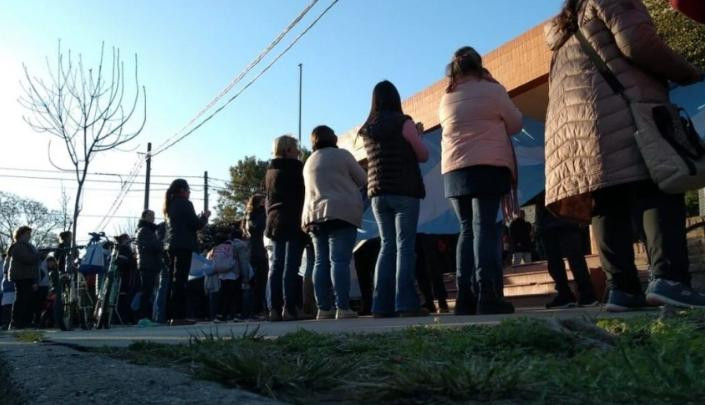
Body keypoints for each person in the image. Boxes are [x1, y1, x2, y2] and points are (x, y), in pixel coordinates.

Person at [544, 0, 704, 311]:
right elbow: (637, 43)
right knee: (659, 185)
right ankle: (669, 280)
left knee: (607, 201)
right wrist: (687, 71)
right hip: (623, 111)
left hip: (575, 127)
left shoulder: (564, 28)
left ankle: (622, 289)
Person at [438, 46, 523, 315]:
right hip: (487, 166)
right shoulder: (493, 91)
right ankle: (488, 294)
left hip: (453, 171)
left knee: (466, 230)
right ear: (480, 67)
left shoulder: (446, 98)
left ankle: (465, 297)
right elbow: (516, 123)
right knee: (485, 228)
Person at [358, 80, 429, 317]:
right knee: (404, 247)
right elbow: (423, 154)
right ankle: (407, 303)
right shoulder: (404, 122)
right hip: (404, 190)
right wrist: (417, 134)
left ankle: (380, 305)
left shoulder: (367, 129)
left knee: (386, 247)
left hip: (378, 193)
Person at [301, 125, 367, 320]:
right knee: (339, 261)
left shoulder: (309, 161)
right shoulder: (342, 155)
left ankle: (323, 308)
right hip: (341, 212)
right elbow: (362, 179)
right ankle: (343, 307)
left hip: (314, 216)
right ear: (334, 138)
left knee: (320, 262)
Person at [265, 135, 306, 321]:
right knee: (291, 266)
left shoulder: (270, 171)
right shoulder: (297, 169)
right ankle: (289, 308)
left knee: (276, 264)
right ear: (288, 150)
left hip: (274, 219)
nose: (299, 152)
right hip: (293, 217)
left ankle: (274, 308)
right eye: (296, 148)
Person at [537, 199, 598, 308]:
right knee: (573, 257)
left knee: (558, 259)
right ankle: (585, 294)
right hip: (565, 211)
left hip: (554, 212)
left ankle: (569, 294)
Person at [164, 179, 210, 322]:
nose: (189, 193)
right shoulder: (185, 204)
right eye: (188, 190)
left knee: (172, 280)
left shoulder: (170, 205)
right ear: (183, 190)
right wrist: (204, 217)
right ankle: (179, 316)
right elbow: (195, 224)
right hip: (184, 245)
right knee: (181, 280)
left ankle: (169, 314)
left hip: (172, 245)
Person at [7, 226, 40, 330]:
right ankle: (16, 322)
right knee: (21, 299)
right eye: (27, 234)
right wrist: (39, 255)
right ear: (21, 234)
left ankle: (25, 321)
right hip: (21, 276)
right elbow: (27, 259)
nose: (29, 236)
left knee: (28, 300)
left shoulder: (27, 246)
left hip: (27, 276)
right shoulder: (19, 246)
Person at [135, 209, 163, 327]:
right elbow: (151, 246)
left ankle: (147, 317)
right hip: (147, 264)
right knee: (146, 291)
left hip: (149, 264)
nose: (153, 218)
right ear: (144, 216)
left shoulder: (148, 230)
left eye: (154, 215)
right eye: (151, 215)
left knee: (149, 291)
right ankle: (143, 317)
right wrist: (161, 243)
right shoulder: (144, 230)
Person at [242, 194, 268, 317]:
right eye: (263, 202)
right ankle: (255, 310)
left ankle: (257, 309)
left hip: (257, 251)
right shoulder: (253, 216)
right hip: (257, 252)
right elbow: (258, 227)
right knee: (257, 283)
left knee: (259, 282)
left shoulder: (252, 215)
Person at [34, 255, 54, 326]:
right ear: (48, 261)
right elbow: (39, 276)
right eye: (51, 263)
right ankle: (37, 321)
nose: (52, 265)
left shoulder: (44, 266)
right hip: (41, 287)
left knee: (41, 305)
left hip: (44, 286)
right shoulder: (42, 266)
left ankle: (39, 321)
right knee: (40, 305)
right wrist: (36, 283)